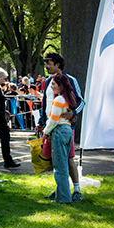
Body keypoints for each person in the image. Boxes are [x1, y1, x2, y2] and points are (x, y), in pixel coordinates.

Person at [37, 52, 85, 201]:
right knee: (56, 159)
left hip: (64, 127)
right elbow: (46, 104)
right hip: (50, 126)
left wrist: (74, 113)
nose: (46, 66)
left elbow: (81, 101)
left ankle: (76, 190)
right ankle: (61, 190)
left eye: (49, 63)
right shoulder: (48, 82)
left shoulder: (70, 80)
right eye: (45, 63)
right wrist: (41, 122)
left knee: (68, 159)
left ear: (58, 64)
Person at [43, 73, 78, 204]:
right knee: (63, 164)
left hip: (59, 130)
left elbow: (53, 119)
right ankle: (64, 195)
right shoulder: (68, 98)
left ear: (60, 86)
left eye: (54, 84)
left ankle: (63, 198)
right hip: (67, 130)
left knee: (60, 166)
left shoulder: (58, 100)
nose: (51, 87)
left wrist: (46, 131)